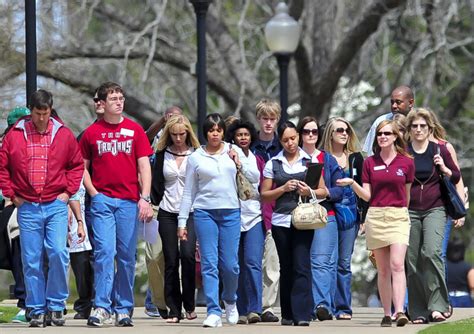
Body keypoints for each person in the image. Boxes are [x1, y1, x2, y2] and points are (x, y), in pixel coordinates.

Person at [0, 90, 84, 327]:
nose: (41, 118)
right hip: (27, 205)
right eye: (37, 113)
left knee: (58, 252)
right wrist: (12, 195)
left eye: (45, 113)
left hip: (55, 204)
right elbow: (3, 166)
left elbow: (76, 165)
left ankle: (56, 305)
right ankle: (36, 308)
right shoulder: (15, 135)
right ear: (31, 111)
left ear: (50, 110)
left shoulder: (63, 134)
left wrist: (67, 193)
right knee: (31, 259)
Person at [80, 82, 154, 327]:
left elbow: (144, 166)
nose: (119, 102)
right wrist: (94, 194)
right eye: (113, 98)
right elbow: (83, 168)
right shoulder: (91, 133)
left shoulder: (135, 131)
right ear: (102, 103)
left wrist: (144, 198)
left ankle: (123, 308)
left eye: (121, 97)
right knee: (103, 253)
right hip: (102, 203)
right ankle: (101, 307)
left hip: (128, 203)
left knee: (126, 256)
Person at [178, 113, 256, 328]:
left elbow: (254, 178)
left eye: (218, 130)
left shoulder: (234, 150)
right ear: (206, 133)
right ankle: (213, 310)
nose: (215, 133)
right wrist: (182, 222)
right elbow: (188, 192)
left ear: (223, 132)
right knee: (209, 264)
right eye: (211, 130)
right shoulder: (195, 157)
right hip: (205, 213)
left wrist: (240, 162)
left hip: (231, 212)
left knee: (230, 265)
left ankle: (230, 300)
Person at [337, 120, 414, 327]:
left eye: (387, 133)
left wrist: (401, 212)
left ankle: (400, 311)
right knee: (383, 269)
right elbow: (368, 195)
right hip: (376, 215)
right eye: (380, 133)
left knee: (397, 264)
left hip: (398, 215)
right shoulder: (370, 162)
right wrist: (352, 183)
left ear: (395, 136)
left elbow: (406, 196)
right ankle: (387, 313)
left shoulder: (406, 162)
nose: (382, 137)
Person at [261, 121, 328, 326]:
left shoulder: (310, 160)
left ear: (298, 137)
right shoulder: (273, 163)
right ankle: (288, 314)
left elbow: (323, 191)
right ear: (279, 141)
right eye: (285, 140)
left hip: (304, 220)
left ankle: (302, 314)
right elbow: (264, 195)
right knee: (286, 266)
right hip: (281, 221)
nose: (290, 143)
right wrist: (283, 188)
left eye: (293, 138)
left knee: (301, 264)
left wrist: (309, 191)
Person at [404, 108, 460, 323]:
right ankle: (418, 310)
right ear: (409, 130)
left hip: (435, 208)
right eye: (415, 126)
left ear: (430, 129)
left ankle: (438, 305)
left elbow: (455, 175)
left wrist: (444, 168)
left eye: (423, 126)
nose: (418, 130)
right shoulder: (405, 152)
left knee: (431, 253)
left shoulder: (439, 149)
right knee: (413, 259)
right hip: (409, 210)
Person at [150, 115, 200, 323]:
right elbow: (155, 181)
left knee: (187, 256)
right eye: (174, 134)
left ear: (188, 133)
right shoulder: (162, 154)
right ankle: (173, 308)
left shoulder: (197, 154)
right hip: (167, 211)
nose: (178, 138)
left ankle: (189, 304)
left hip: (190, 211)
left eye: (182, 134)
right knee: (170, 259)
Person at [319, 117, 366, 320]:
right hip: (328, 211)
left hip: (350, 214)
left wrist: (363, 218)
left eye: (347, 130)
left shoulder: (356, 158)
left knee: (344, 263)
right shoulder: (323, 158)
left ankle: (343, 308)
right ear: (330, 133)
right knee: (327, 261)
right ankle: (324, 306)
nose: (344, 133)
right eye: (339, 130)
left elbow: (364, 188)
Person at [297, 116, 343, 321]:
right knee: (303, 262)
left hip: (325, 214)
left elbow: (339, 191)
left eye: (314, 132)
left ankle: (322, 305)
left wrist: (320, 192)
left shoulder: (328, 159)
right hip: (297, 214)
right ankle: (310, 305)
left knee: (322, 262)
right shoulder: (292, 157)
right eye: (306, 132)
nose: (310, 135)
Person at [145, 106, 183, 318]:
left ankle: (175, 302)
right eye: (170, 117)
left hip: (182, 208)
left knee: (177, 257)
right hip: (156, 205)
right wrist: (162, 121)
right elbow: (144, 137)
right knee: (152, 257)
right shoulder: (156, 144)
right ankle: (159, 302)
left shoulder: (188, 145)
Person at [226, 120, 265, 324]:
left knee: (252, 263)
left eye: (246, 134)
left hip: (254, 216)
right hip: (233, 216)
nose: (243, 138)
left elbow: (257, 180)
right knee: (235, 265)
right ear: (233, 136)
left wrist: (240, 164)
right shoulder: (226, 154)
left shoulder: (256, 158)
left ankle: (254, 308)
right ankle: (239, 310)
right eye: (239, 134)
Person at [250, 99, 282, 323]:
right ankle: (250, 304)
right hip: (251, 209)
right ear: (258, 119)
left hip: (277, 211)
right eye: (265, 118)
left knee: (272, 263)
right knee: (251, 261)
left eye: (272, 119)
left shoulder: (283, 147)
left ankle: (267, 306)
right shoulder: (249, 147)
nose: (268, 123)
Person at [0, 107, 31, 324]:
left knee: (21, 253)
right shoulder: (7, 144)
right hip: (7, 205)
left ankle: (24, 302)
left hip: (19, 206)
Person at [363, 86, 414, 156]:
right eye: (392, 102)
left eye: (398, 102)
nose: (394, 106)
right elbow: (371, 154)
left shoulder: (420, 123)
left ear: (411, 103)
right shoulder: (381, 121)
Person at [68, 183, 94, 320]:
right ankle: (84, 304)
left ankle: (96, 303)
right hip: (74, 203)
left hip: (93, 203)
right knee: (80, 260)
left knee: (95, 259)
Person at [446, 236, 474, 308]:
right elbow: (472, 285)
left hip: (447, 298)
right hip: (464, 298)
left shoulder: (443, 267)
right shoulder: (468, 267)